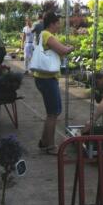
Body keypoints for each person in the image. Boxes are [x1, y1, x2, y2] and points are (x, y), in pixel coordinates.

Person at [34, 12, 73, 155]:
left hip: (45, 78)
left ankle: (44, 142)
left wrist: (64, 50)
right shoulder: (46, 35)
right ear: (52, 23)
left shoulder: (45, 35)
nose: (59, 25)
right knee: (53, 113)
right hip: (47, 79)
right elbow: (63, 50)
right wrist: (70, 48)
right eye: (58, 23)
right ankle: (50, 146)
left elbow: (58, 52)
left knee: (53, 111)